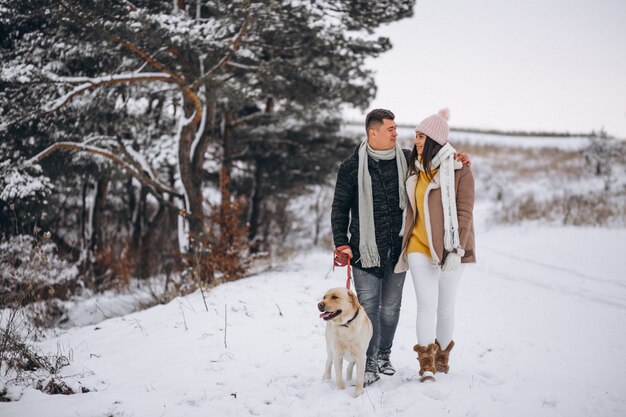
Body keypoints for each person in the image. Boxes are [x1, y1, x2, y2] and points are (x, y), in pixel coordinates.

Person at [331, 109, 470, 386]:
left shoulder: (407, 159)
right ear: (374, 133)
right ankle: (368, 361)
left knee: (390, 309)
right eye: (391, 129)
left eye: (396, 128)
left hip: (398, 250)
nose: (397, 133)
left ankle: (384, 355)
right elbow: (340, 207)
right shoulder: (350, 166)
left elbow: (438, 160)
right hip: (364, 249)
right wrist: (341, 242)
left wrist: (459, 158)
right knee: (368, 307)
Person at [395, 108, 476, 382]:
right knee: (426, 305)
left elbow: (464, 213)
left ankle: (442, 359)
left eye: (421, 136)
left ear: (433, 140)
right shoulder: (413, 167)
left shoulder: (459, 170)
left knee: (446, 307)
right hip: (419, 245)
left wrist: (458, 250)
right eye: (415, 135)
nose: (416, 141)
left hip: (453, 248)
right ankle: (426, 363)